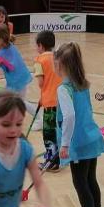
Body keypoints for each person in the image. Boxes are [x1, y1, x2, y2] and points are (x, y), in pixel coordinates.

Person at [55, 43, 104, 207]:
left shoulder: (64, 89)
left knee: (80, 182)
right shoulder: (83, 84)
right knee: (90, 179)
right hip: (92, 137)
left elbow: (69, 116)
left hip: (79, 143)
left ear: (61, 65)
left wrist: (65, 144)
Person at [33, 30, 61, 171]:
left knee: (49, 133)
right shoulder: (58, 57)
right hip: (62, 100)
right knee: (59, 130)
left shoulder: (39, 60)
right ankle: (59, 158)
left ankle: (52, 162)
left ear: (40, 45)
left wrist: (44, 94)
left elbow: (41, 83)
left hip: (50, 102)